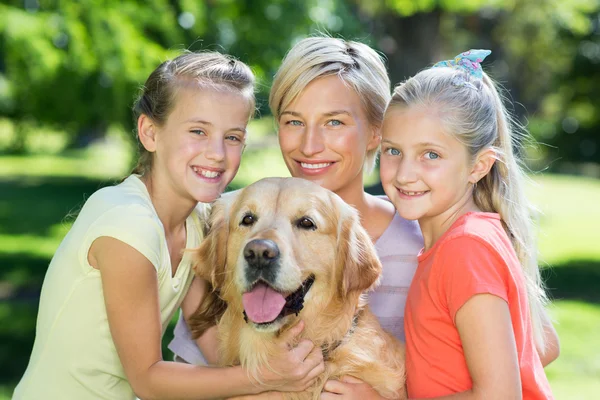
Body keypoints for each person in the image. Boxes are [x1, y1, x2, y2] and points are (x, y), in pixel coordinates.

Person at [13, 51, 324, 400]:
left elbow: (211, 339)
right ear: (149, 133)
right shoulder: (128, 224)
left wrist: (300, 372)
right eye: (198, 131)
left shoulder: (193, 225)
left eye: (233, 137)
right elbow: (149, 380)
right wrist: (265, 376)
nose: (217, 153)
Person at [168, 36, 424, 397]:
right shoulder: (222, 218)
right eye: (293, 122)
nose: (309, 145)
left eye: (334, 122)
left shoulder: (422, 244)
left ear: (377, 133)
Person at [379, 49, 558, 399]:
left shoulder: (465, 249)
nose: (404, 173)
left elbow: (499, 395)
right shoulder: (460, 241)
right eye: (393, 150)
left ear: (479, 166)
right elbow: (543, 345)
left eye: (431, 155)